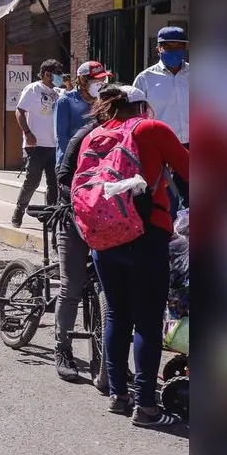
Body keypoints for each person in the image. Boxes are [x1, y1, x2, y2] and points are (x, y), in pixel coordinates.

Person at [76, 85, 188, 427]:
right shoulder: (152, 129)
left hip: (104, 238)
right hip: (147, 234)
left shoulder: (94, 136)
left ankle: (119, 397)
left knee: (118, 317)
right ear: (141, 105)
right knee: (148, 321)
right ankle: (147, 407)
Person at [50, 84, 124, 382]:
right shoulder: (84, 136)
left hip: (110, 223)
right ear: (104, 109)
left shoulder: (126, 137)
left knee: (110, 291)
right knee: (72, 286)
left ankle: (110, 358)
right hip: (75, 218)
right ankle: (62, 349)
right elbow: (63, 176)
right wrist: (88, 200)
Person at [133, 25, 190, 214]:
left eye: (178, 46)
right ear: (158, 48)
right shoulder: (145, 79)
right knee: (165, 205)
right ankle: (167, 242)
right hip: (161, 150)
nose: (173, 50)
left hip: (192, 148)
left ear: (185, 48)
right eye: (168, 46)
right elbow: (136, 117)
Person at [11, 59, 62, 228]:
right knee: (32, 181)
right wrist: (27, 133)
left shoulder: (59, 92)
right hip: (36, 145)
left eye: (56, 74)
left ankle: (50, 218)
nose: (53, 78)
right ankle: (19, 212)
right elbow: (19, 111)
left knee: (54, 183)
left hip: (55, 145)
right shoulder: (33, 89)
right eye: (51, 74)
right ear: (44, 74)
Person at [54, 60, 111, 165]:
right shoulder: (66, 101)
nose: (101, 83)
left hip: (96, 162)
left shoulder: (103, 100)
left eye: (103, 79)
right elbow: (62, 137)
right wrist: (74, 160)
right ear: (83, 80)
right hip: (71, 163)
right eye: (96, 80)